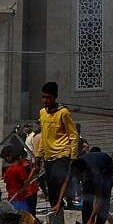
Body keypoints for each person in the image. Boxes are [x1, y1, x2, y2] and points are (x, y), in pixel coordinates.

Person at [35, 82, 79, 210]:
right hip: (48, 157)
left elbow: (73, 135)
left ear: (55, 97)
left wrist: (73, 156)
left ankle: (67, 207)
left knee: (61, 183)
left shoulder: (63, 112)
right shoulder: (42, 113)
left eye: (48, 97)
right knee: (51, 189)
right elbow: (44, 136)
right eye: (43, 97)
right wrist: (38, 156)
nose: (45, 100)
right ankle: (57, 213)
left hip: (62, 154)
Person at [53, 149, 113, 224]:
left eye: (80, 176)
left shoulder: (95, 173)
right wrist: (59, 202)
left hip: (107, 169)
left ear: (84, 172)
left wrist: (91, 219)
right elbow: (66, 183)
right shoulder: (74, 166)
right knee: (87, 198)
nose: (79, 179)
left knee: (105, 199)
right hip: (91, 163)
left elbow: (99, 198)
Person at [3, 146, 39, 216]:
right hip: (21, 195)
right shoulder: (17, 168)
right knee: (28, 215)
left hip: (26, 193)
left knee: (29, 215)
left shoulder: (19, 167)